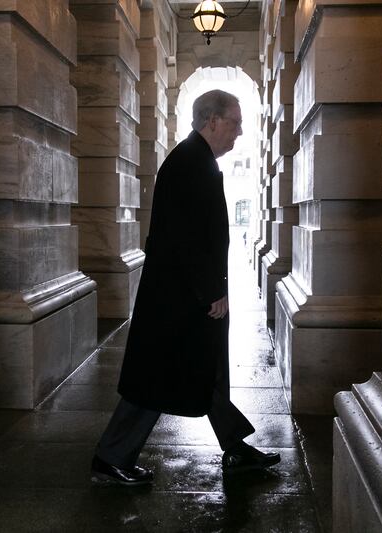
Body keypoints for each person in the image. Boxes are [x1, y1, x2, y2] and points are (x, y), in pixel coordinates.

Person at [91, 90, 280, 485]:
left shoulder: (195, 159)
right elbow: (186, 239)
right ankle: (111, 457)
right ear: (211, 120)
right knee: (157, 380)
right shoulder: (191, 163)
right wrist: (211, 290)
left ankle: (236, 448)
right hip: (180, 300)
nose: (239, 131)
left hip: (182, 296)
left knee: (202, 371)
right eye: (234, 121)